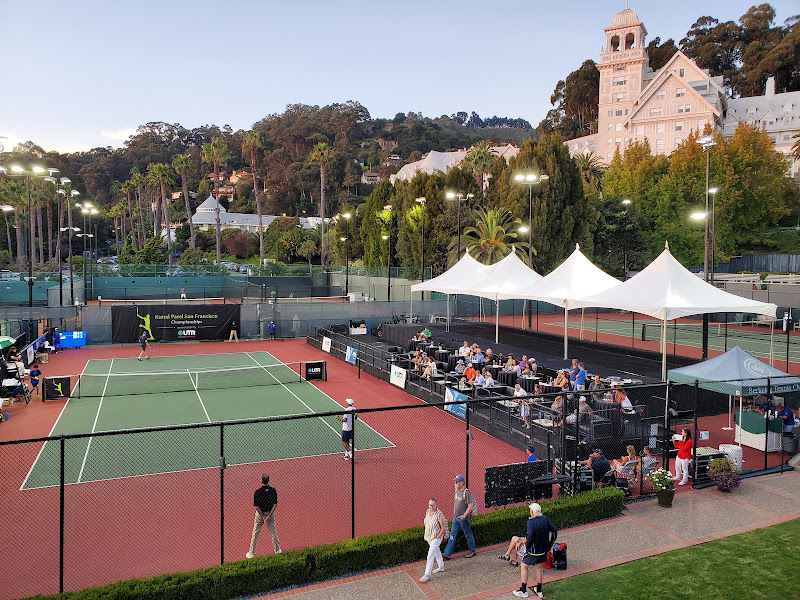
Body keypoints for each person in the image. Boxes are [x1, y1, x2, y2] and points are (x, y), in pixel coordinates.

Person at [513, 502, 558, 598]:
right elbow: (554, 531)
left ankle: (524, 590)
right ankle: (539, 590)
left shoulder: (531, 522)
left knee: (524, 566)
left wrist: (527, 546)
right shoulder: (545, 519)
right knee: (538, 567)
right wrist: (549, 545)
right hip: (542, 550)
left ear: (532, 512)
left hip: (533, 550)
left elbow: (530, 537)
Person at [246, 473, 281, 558]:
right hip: (270, 513)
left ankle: (251, 553)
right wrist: (269, 515)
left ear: (261, 480)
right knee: (273, 532)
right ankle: (277, 550)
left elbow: (256, 506)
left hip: (260, 515)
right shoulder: (273, 491)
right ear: (268, 480)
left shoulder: (257, 492)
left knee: (255, 532)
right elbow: (275, 504)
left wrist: (262, 516)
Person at [442, 474, 477, 560]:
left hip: (464, 519)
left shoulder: (466, 492)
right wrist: (454, 509)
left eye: (457, 482)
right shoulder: (456, 490)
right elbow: (456, 501)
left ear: (462, 483)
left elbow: (470, 506)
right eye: (455, 482)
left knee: (468, 535)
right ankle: (447, 553)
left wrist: (464, 515)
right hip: (456, 517)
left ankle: (472, 550)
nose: (455, 483)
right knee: (452, 535)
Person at [419, 497, 447, 583]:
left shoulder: (439, 514)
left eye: (432, 505)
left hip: (436, 537)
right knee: (437, 551)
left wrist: (437, 537)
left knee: (430, 555)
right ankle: (441, 566)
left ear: (436, 505)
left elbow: (443, 528)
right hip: (429, 537)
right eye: (429, 505)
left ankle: (426, 574)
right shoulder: (428, 511)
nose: (431, 506)